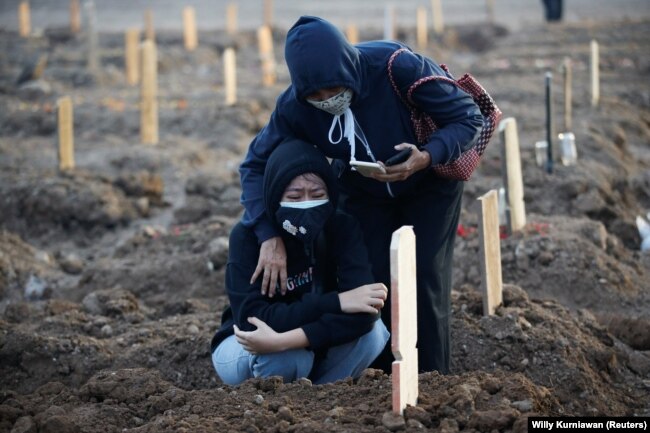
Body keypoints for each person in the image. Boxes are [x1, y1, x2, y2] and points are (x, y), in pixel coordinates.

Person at [239, 16, 483, 374]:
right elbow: (254, 165)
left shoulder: (395, 67)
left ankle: (432, 377)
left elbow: (467, 117)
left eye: (333, 89)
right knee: (372, 283)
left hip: (428, 184)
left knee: (424, 276)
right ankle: (382, 379)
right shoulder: (294, 106)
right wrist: (267, 233)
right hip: (363, 191)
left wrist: (426, 156)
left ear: (347, 67)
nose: (327, 100)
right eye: (315, 96)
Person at [211, 138, 389, 385]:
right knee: (289, 358)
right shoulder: (247, 237)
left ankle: (320, 396)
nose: (306, 203)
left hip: (295, 341)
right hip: (245, 343)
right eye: (294, 196)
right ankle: (268, 401)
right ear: (274, 194)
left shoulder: (341, 227)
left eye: (317, 194)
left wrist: (286, 339)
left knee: (374, 333)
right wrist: (337, 302)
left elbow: (364, 313)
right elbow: (253, 320)